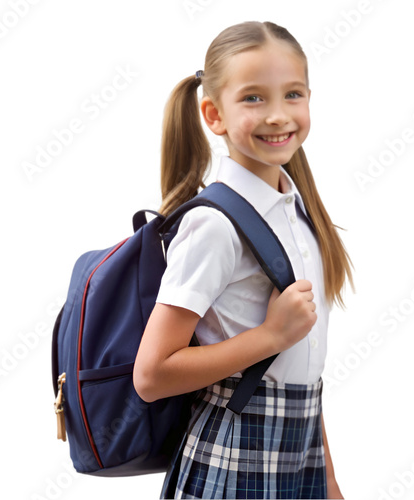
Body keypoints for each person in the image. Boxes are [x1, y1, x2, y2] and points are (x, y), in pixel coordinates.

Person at [133, 20, 354, 499]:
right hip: (233, 456)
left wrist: (331, 482)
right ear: (214, 115)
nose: (278, 115)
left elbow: (302, 375)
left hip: (300, 455)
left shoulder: (301, 214)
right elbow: (151, 375)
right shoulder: (215, 225)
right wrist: (271, 336)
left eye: (293, 94)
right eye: (254, 98)